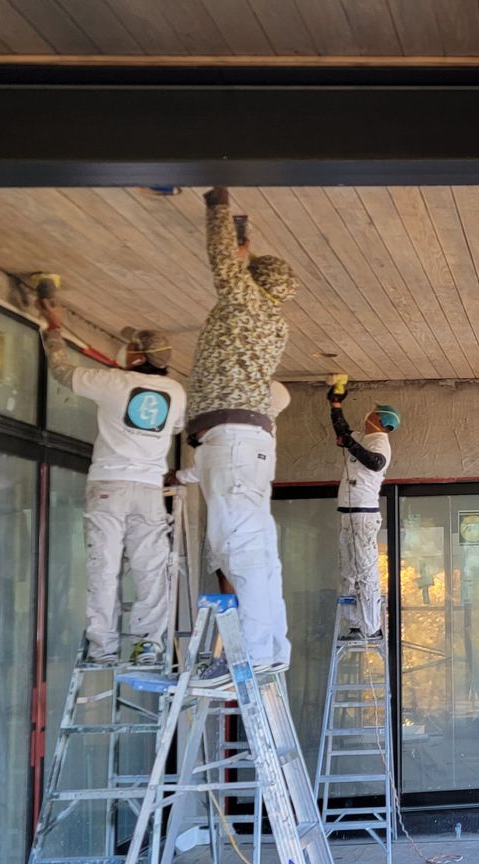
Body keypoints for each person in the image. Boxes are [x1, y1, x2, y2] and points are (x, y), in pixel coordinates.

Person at [39, 298, 185, 667]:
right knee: (150, 569)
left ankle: (102, 647)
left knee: (104, 565)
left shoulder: (114, 382)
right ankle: (148, 646)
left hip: (109, 485)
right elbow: (180, 425)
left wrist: (53, 327)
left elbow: (61, 371)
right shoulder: (177, 392)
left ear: (137, 357)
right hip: (149, 490)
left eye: (132, 346)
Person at [188, 186, 297, 677]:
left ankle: (251, 655)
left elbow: (223, 264)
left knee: (243, 550)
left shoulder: (244, 304)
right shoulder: (272, 320)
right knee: (257, 555)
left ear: (253, 283)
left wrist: (217, 204)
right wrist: (243, 241)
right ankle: (269, 650)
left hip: (232, 438)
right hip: (241, 441)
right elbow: (236, 269)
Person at [327, 375, 398, 639]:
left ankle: (371, 627)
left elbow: (376, 462)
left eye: (374, 413)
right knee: (348, 572)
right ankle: (355, 624)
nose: (368, 414)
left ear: (379, 420)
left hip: (362, 516)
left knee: (365, 571)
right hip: (350, 515)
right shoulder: (361, 438)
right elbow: (343, 433)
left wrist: (350, 444)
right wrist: (336, 405)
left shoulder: (380, 442)